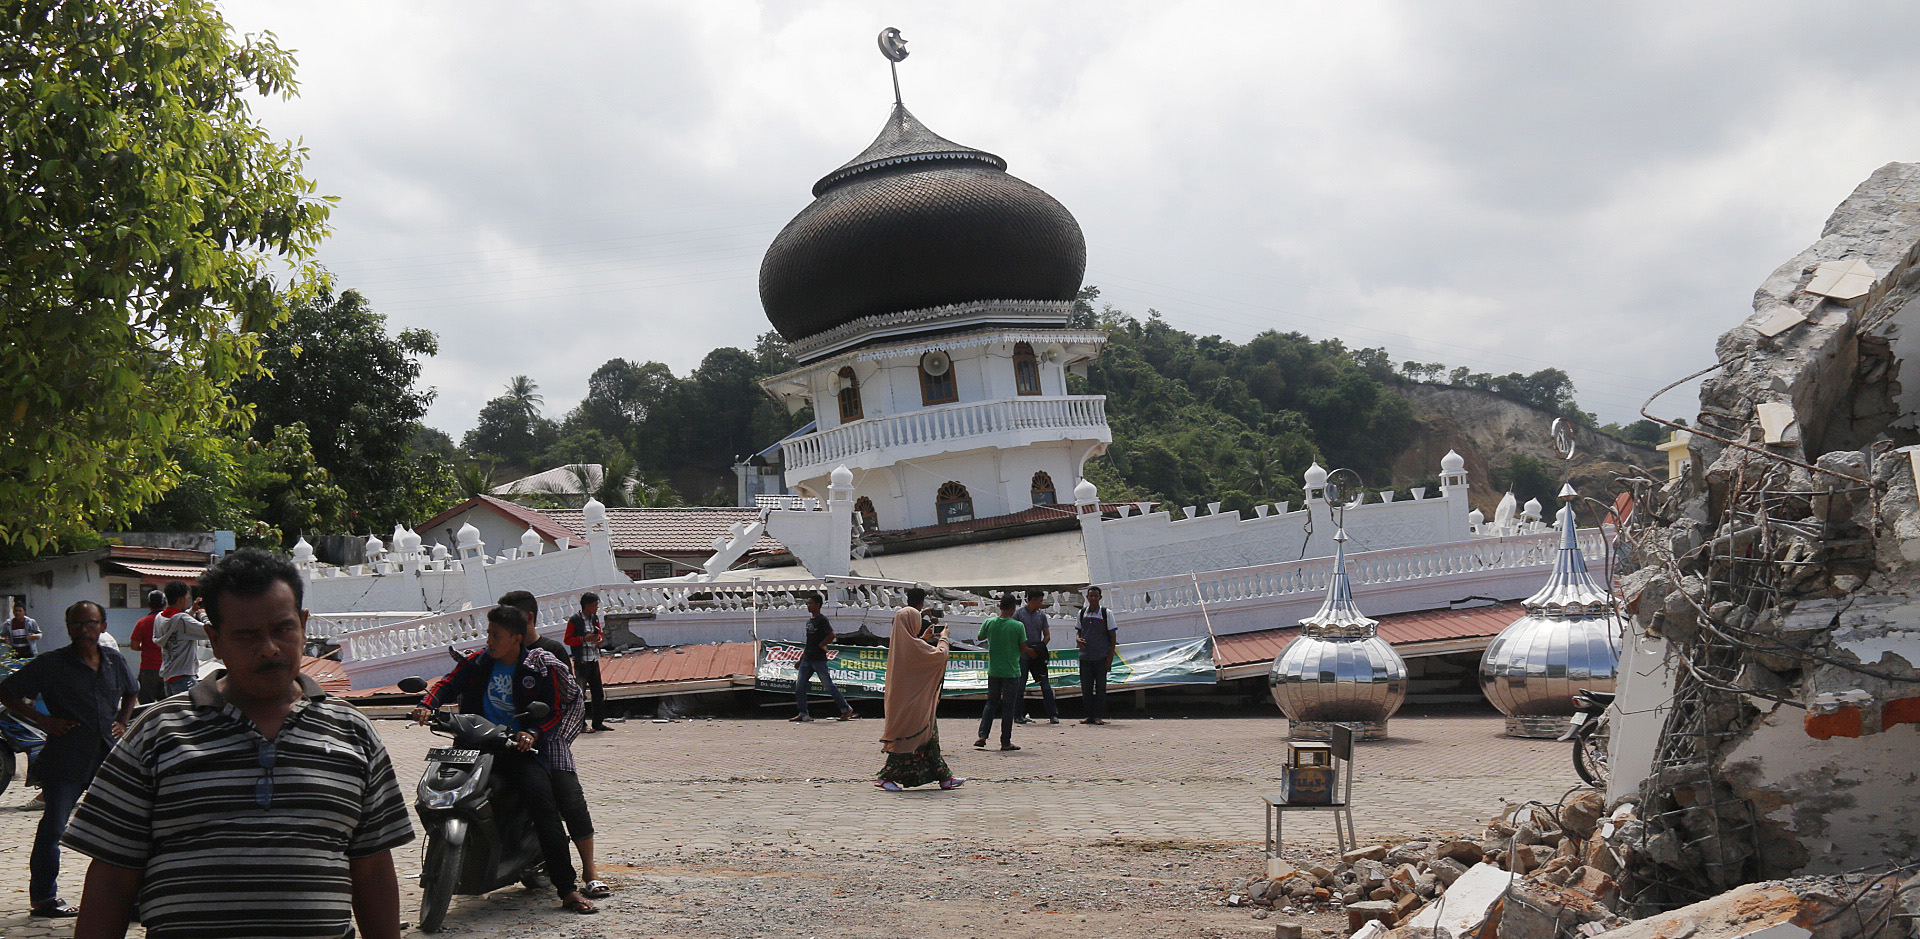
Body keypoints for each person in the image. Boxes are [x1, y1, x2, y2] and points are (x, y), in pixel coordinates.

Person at [62, 548, 413, 939]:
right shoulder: (157, 732)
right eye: (247, 636)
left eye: (283, 629)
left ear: (303, 625)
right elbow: (111, 878)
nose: (269, 648)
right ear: (215, 639)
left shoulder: (353, 733)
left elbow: (373, 869)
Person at [412, 606, 599, 914]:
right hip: (473, 748)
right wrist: (426, 705)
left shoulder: (537, 669)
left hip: (517, 751)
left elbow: (552, 712)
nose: (490, 641)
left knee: (544, 807)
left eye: (496, 635)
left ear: (515, 638)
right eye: (488, 634)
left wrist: (532, 733)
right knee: (438, 792)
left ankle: (567, 889)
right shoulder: (479, 662)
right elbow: (447, 684)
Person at [0, 601, 136, 918]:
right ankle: (45, 899)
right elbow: (6, 692)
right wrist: (44, 721)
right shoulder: (51, 664)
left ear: (103, 625)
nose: (83, 630)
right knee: (53, 828)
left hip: (108, 756)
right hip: (66, 758)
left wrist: (123, 721)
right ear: (68, 627)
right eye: (76, 624)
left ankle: (131, 900)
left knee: (125, 828)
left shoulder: (114, 660)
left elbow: (133, 690)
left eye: (90, 623)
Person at [499, 590, 609, 899]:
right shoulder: (500, 651)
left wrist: (542, 734)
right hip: (507, 739)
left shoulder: (549, 650)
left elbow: (564, 699)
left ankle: (589, 870)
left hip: (548, 739)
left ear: (528, 619)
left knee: (569, 796)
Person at [875, 588, 964, 792]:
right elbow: (939, 656)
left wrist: (923, 638)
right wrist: (944, 637)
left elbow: (919, 653)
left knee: (929, 737)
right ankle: (885, 776)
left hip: (910, 702)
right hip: (912, 705)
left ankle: (944, 776)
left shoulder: (903, 643)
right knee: (907, 740)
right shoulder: (914, 645)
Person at [973, 595, 1026, 752]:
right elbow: (1023, 648)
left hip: (994, 669)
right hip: (1011, 671)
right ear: (1013, 608)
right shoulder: (1018, 626)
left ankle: (983, 735)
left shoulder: (989, 622)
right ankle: (1005, 742)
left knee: (991, 703)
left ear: (1000, 607)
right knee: (1008, 707)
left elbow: (980, 636)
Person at [792, 593, 855, 723]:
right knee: (800, 686)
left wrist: (822, 644)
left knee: (828, 685)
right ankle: (803, 713)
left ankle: (845, 708)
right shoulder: (809, 622)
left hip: (818, 659)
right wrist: (800, 659)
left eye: (810, 603)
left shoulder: (822, 620)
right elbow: (809, 642)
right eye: (808, 603)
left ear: (818, 605)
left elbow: (832, 635)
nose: (808, 606)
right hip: (807, 658)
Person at [565, 592, 614, 732]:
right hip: (581, 661)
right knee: (580, 694)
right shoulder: (575, 620)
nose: (597, 607)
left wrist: (599, 639)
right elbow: (567, 640)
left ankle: (598, 722)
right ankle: (581, 724)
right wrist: (583, 639)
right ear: (587, 606)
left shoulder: (594, 618)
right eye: (595, 605)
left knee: (598, 693)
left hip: (593, 659)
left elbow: (600, 635)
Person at [1012, 589, 1059, 724]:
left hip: (1037, 655)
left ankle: (1053, 714)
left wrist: (1039, 648)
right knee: (1020, 686)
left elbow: (1047, 635)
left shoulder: (1042, 615)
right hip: (1023, 655)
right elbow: (1014, 636)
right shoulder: (1018, 615)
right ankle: (1017, 715)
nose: (1041, 603)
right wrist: (1027, 649)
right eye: (1040, 600)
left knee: (1045, 685)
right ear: (1032, 600)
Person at [153, 583, 207, 695]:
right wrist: (203, 615)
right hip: (184, 678)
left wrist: (192, 611)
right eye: (187, 598)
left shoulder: (159, 617)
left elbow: (176, 620)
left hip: (168, 677)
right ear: (182, 599)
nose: (188, 601)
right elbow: (210, 631)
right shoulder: (183, 621)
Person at [1076, 586, 1119, 725]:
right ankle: (1089, 715)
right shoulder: (1082, 613)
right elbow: (1079, 631)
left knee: (1101, 687)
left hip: (1101, 656)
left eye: (1096, 596)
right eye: (1091, 596)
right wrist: (1078, 639)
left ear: (1100, 597)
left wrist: (1110, 656)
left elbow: (1113, 637)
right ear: (1087, 597)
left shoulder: (1106, 613)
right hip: (1085, 657)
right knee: (1086, 687)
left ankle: (1098, 716)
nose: (1093, 598)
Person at [126, 591, 166, 703]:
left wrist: (144, 647)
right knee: (167, 703)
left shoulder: (142, 622)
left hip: (148, 669)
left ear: (148, 604)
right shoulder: (171, 621)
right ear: (165, 604)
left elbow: (134, 646)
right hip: (168, 668)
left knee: (145, 704)